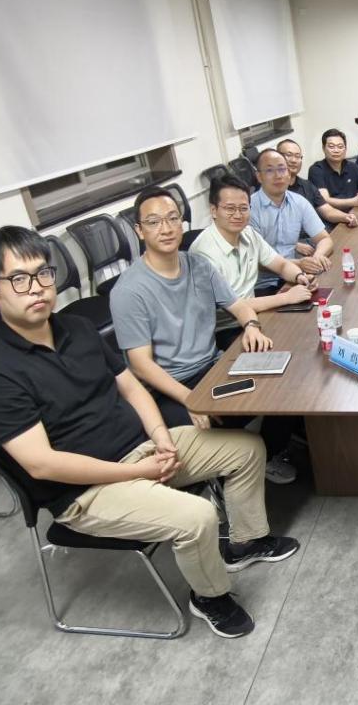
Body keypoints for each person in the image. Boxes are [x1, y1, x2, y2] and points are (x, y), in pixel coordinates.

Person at [0, 226, 299, 638]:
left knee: (246, 449)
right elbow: (41, 464)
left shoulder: (76, 328)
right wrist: (138, 472)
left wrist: (161, 436)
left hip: (141, 449)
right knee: (198, 516)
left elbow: (131, 387)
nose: (36, 288)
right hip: (87, 492)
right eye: (18, 279)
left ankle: (245, 544)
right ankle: (209, 597)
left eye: (43, 273)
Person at [111, 188, 297, 484]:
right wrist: (191, 399)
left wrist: (251, 326)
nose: (166, 228)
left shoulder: (199, 265)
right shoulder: (128, 291)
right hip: (171, 386)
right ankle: (226, 476)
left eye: (173, 218)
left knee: (281, 385)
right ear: (139, 231)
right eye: (154, 222)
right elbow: (141, 365)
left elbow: (239, 306)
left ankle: (268, 456)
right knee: (208, 426)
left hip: (212, 368)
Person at [190, 174, 314, 346]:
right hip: (225, 330)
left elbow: (281, 264)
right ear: (213, 210)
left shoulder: (248, 234)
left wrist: (299, 276)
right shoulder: (203, 253)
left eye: (243, 208)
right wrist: (287, 297)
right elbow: (234, 306)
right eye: (230, 208)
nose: (237, 215)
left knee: (304, 331)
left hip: (255, 316)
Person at [249, 149, 333, 293]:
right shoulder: (249, 208)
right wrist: (298, 264)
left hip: (294, 277)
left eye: (282, 169)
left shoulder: (299, 202)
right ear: (259, 176)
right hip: (263, 284)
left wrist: (317, 258)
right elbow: (255, 260)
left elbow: (325, 239)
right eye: (269, 170)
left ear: (289, 173)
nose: (278, 176)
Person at [277, 138, 358, 232]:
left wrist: (346, 217)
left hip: (320, 234)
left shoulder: (307, 185)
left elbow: (327, 211)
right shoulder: (271, 190)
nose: (294, 160)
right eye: (288, 155)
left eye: (297, 156)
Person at [307, 128, 358, 230]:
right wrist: (353, 202)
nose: (336, 150)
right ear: (323, 148)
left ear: (345, 149)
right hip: (331, 221)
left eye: (340, 147)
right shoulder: (316, 170)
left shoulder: (351, 166)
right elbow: (325, 200)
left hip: (355, 213)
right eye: (331, 146)